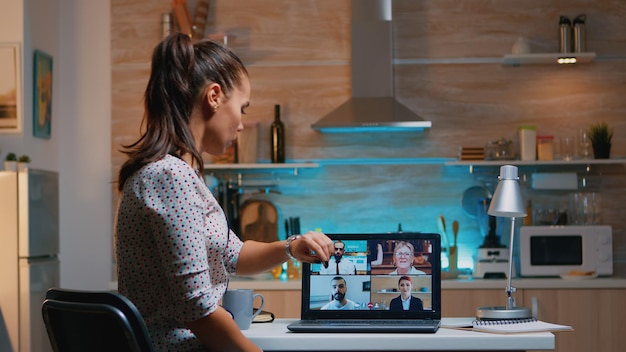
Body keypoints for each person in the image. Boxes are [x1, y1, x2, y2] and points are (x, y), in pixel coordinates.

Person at [114, 33, 334, 352]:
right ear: (214, 96)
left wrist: (292, 246)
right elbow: (198, 310)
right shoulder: (169, 176)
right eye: (242, 108)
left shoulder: (179, 174)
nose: (242, 124)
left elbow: (234, 256)